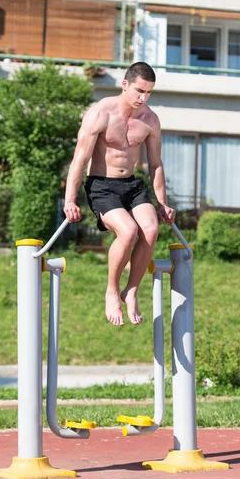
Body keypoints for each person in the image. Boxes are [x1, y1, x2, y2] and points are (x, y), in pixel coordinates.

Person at [64, 61, 176, 326]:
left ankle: (132, 290)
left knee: (150, 229)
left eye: (148, 93)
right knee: (128, 231)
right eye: (139, 90)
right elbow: (80, 159)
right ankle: (112, 291)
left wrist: (162, 203)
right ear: (124, 84)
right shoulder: (100, 113)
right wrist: (70, 200)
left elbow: (156, 164)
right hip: (101, 185)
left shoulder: (150, 120)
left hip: (131, 185)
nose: (143, 98)